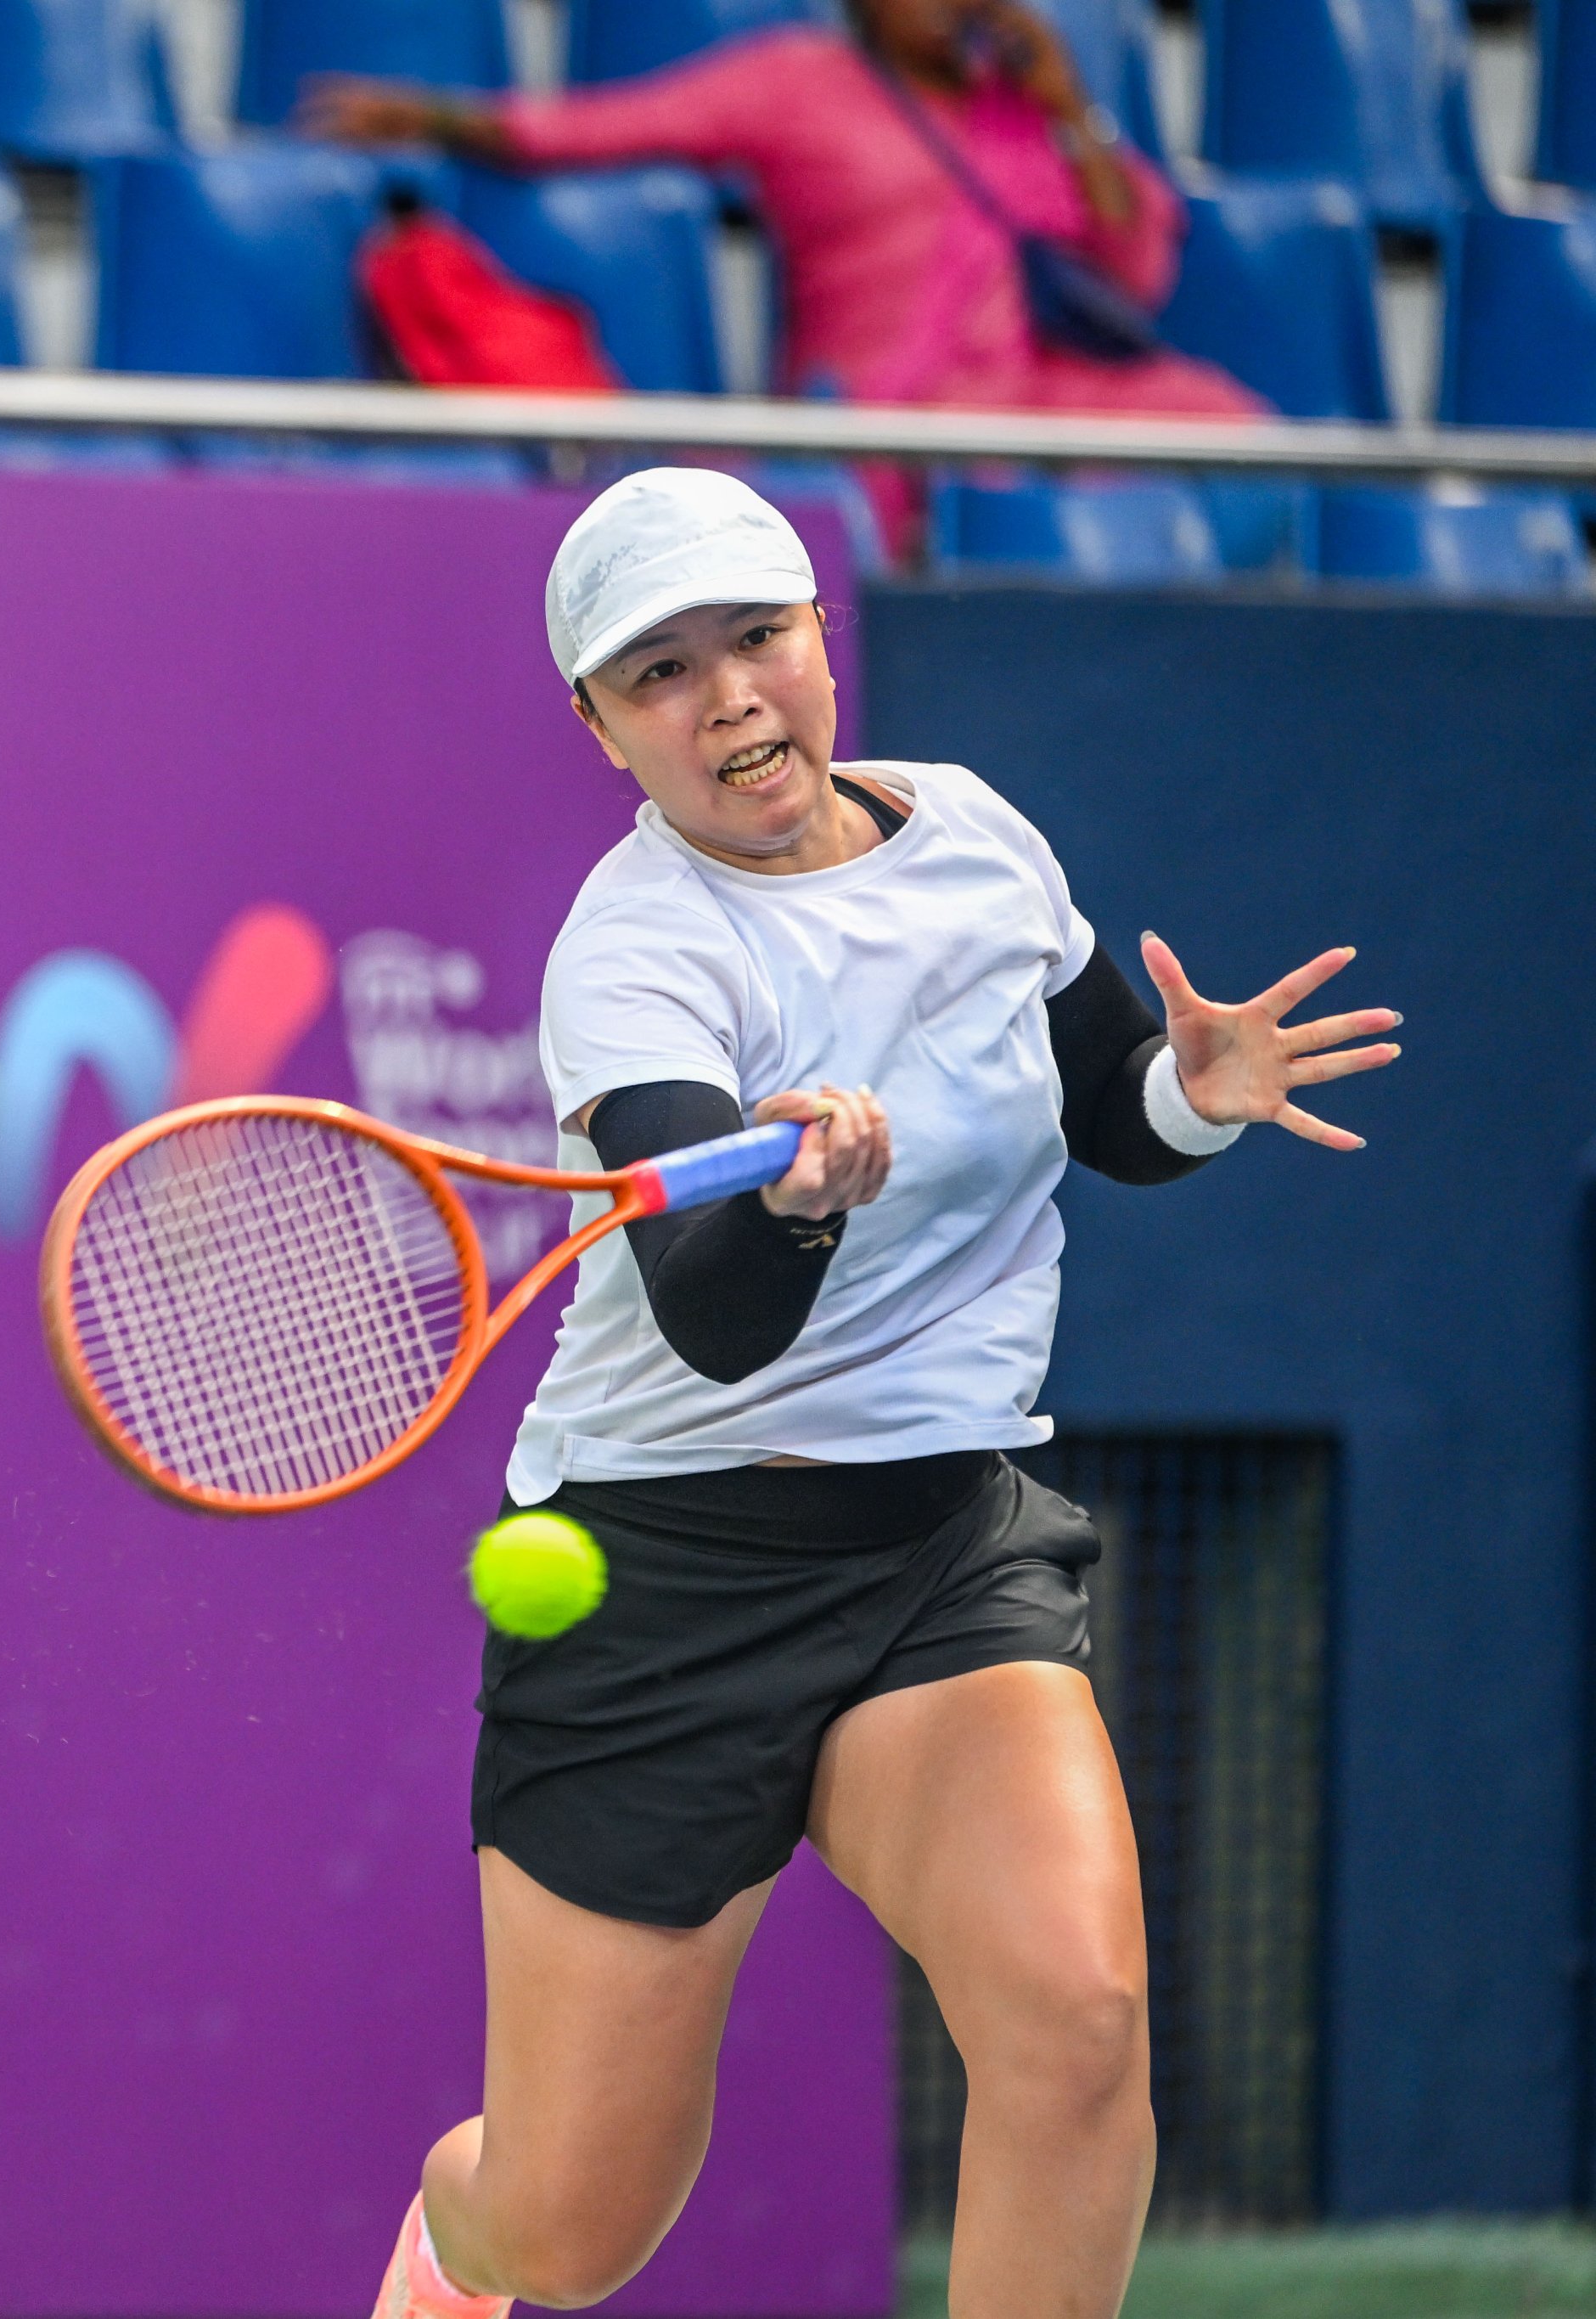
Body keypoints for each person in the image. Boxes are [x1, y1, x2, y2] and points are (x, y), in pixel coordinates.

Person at [372, 467, 1399, 2319]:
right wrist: (795, 1206)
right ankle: (454, 2242)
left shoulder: (976, 834)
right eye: (661, 673)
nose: (729, 699)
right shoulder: (635, 957)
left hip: (939, 1544)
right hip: (663, 1579)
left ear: (816, 633)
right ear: (601, 728)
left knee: (1075, 2027)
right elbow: (714, 1318)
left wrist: (1190, 1095)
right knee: (568, 2231)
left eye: (755, 637)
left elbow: (1097, 1101)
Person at [301, 0, 1266, 550]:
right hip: (873, 408)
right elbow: (607, 125)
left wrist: (1068, 109)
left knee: (1229, 427)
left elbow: (1133, 275)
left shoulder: (1020, 111)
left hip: (1025, 394)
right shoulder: (795, 78)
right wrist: (432, 118)